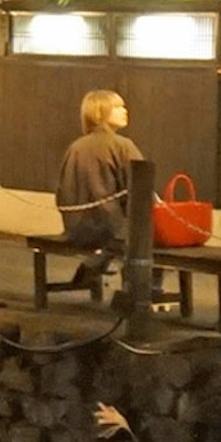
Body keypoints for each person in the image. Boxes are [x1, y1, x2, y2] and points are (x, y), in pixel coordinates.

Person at [54, 87, 144, 292]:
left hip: (74, 226)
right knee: (150, 236)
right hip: (108, 228)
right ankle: (147, 289)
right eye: (118, 107)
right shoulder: (122, 145)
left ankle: (95, 263)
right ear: (101, 112)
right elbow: (140, 188)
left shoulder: (75, 147)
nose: (125, 110)